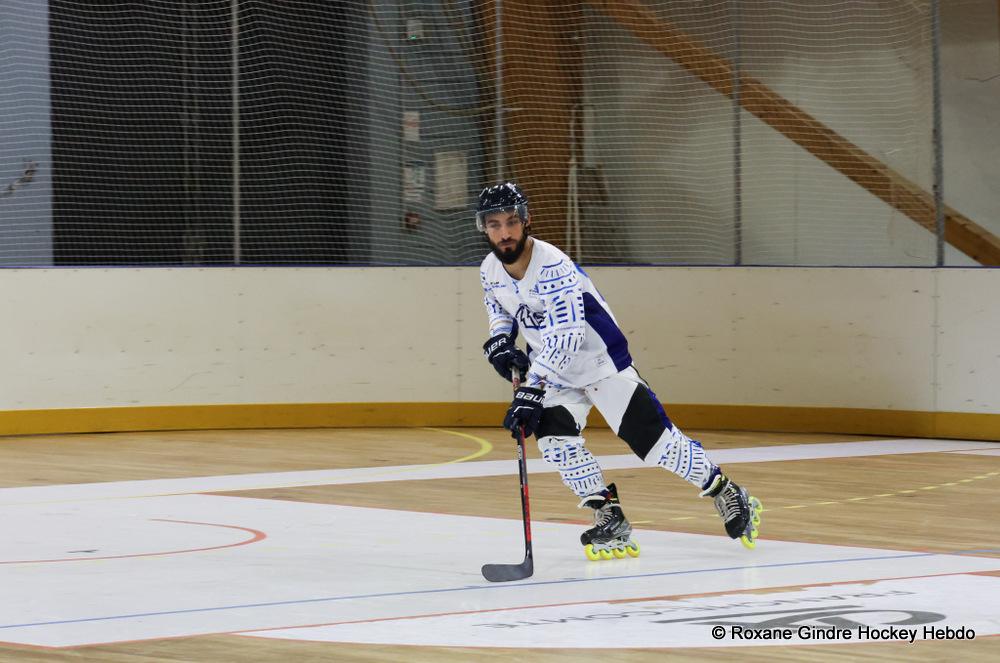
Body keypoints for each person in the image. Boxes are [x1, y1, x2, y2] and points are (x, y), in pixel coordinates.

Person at [476, 182, 762, 561]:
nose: (505, 232)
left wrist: (532, 389)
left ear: (526, 220)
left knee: (655, 444)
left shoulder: (553, 266)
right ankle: (608, 515)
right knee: (555, 442)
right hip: (555, 372)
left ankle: (724, 489)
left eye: (512, 221)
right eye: (495, 224)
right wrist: (499, 342)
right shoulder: (490, 269)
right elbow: (500, 308)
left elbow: (567, 336)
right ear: (483, 228)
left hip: (599, 361)